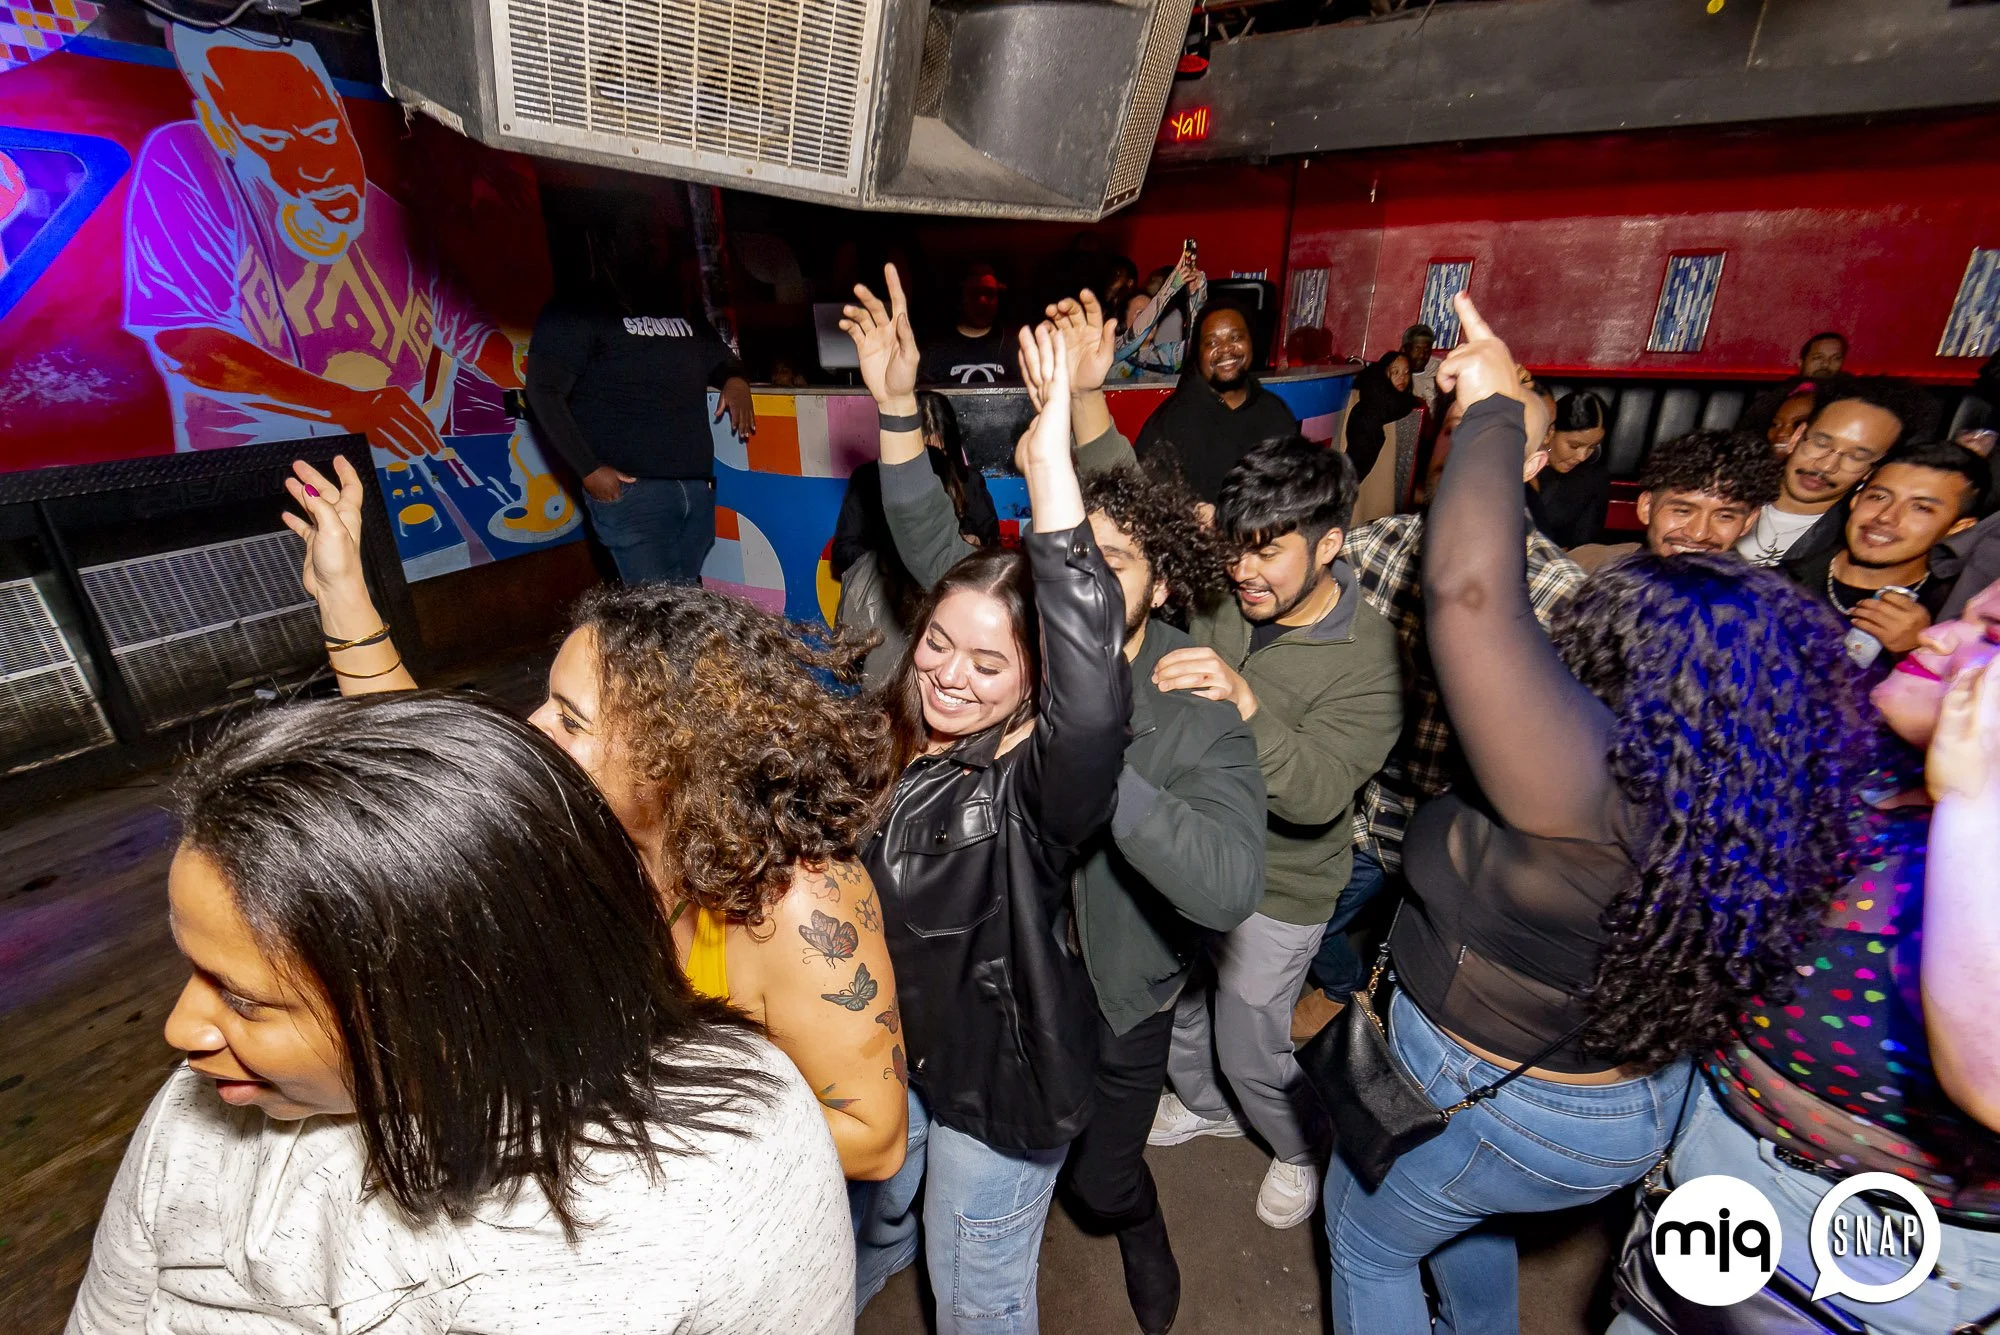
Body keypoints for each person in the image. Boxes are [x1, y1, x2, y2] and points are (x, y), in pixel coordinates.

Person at [1321, 292, 1871, 1335]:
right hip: (1628, 1100)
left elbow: (1468, 597)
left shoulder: (1592, 790)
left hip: (1498, 1090)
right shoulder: (1761, 795)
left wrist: (1489, 411)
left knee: (1367, 1245)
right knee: (1464, 1219)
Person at [68, 693, 854, 1334]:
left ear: (447, 1006)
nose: (181, 1031)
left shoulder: (696, 1191)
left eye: (243, 999)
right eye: (194, 968)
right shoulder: (197, 1110)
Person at [280, 458, 909, 1182]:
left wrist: (606, 1119)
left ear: (672, 755)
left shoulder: (801, 901)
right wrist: (344, 594)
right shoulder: (577, 823)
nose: (533, 726)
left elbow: (873, 1139)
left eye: (570, 719)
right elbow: (428, 764)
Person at [840, 267, 1131, 1332]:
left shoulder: (1032, 790)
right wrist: (894, 406)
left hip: (994, 1091)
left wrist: (1051, 469)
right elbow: (925, 538)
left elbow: (1093, 701)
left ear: (1035, 682)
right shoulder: (894, 731)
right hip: (895, 1049)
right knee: (883, 1212)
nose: (949, 675)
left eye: (988, 663)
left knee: (975, 1293)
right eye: (936, 644)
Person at [1610, 580, 2000, 1335]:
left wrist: (1974, 797)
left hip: (1882, 1247)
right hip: (1720, 1147)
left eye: (1994, 634)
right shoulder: (1871, 759)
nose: (1936, 633)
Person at [1007, 300, 1265, 1331]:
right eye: (1077, 553)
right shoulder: (1016, 663)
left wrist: (1095, 749)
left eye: (1116, 560)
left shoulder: (1195, 695)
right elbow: (928, 546)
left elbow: (1228, 886)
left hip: (1126, 993)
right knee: (1029, 1135)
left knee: (1100, 1178)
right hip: (1024, 973)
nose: (1089, 570)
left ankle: (1137, 1212)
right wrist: (897, 414)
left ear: (1159, 588)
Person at [1292, 388, 1590, 1036]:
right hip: (1369, 813)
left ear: (1533, 462)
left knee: (1431, 985)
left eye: (1496, 437)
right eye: (1458, 428)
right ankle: (1343, 991)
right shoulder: (1375, 546)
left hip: (1473, 844)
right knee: (1302, 927)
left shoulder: (1565, 596)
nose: (1465, 448)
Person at [124, 26, 524, 457]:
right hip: (267, 476)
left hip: (396, 478)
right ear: (222, 135)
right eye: (274, 141)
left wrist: (534, 378)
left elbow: (476, 340)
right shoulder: (186, 162)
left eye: (324, 133)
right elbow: (188, 345)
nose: (318, 167)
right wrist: (346, 406)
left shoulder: (398, 222)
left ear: (339, 111)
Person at [525, 235, 758, 586]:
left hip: (694, 488)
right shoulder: (577, 307)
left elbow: (721, 358)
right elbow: (543, 390)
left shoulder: (680, 308)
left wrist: (736, 379)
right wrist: (588, 469)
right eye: (640, 238)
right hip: (632, 492)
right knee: (651, 607)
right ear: (610, 248)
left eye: (659, 242)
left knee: (685, 599)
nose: (654, 250)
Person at [832, 391, 1000, 686]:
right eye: (922, 449)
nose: (931, 461)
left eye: (940, 448)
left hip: (950, 611)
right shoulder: (868, 480)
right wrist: (892, 553)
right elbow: (844, 551)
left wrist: (970, 545)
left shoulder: (967, 480)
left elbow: (991, 546)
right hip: (890, 613)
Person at [1783, 438, 1988, 659]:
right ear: (1856, 500)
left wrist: (1916, 653)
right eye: (1878, 497)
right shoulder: (1783, 582)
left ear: (1958, 528)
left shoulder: (1957, 616)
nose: (1886, 516)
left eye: (1921, 508)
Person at [1736, 376, 1935, 566]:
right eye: (1821, 444)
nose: (1826, 466)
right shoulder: (1732, 490)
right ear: (1797, 437)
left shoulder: (1861, 539)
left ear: (1874, 469)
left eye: (1855, 457)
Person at [1132, 300, 1301, 504]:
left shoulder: (1275, 413)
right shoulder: (1170, 422)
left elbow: (1294, 493)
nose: (1225, 349)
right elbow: (1147, 502)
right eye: (1212, 342)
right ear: (1198, 353)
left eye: (1236, 337)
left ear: (1251, 342)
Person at [1567, 428, 1782, 572]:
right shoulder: (1586, 568)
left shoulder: (1761, 609)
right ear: (1646, 507)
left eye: (1725, 516)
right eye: (1682, 511)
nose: (1699, 533)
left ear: (1748, 521)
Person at [1526, 390, 1611, 547]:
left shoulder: (1592, 478)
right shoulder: (1523, 462)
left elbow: (1585, 544)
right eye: (1574, 446)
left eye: (1592, 447)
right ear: (1551, 432)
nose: (1582, 456)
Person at [1114, 245, 1206, 378]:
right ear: (1123, 322)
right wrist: (1170, 287)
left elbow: (1197, 345)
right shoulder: (1113, 351)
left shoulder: (1165, 355)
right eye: (1141, 313)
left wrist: (1197, 297)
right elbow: (1135, 335)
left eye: (1153, 314)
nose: (1151, 319)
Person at [916, 261, 1014, 385]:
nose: (982, 301)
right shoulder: (934, 350)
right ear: (961, 297)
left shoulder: (1013, 348)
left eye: (989, 293)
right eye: (974, 293)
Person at [1343, 350, 1421, 487]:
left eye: (1406, 372)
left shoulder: (1398, 401)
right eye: (1395, 372)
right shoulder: (1373, 399)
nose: (1402, 378)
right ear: (1384, 372)